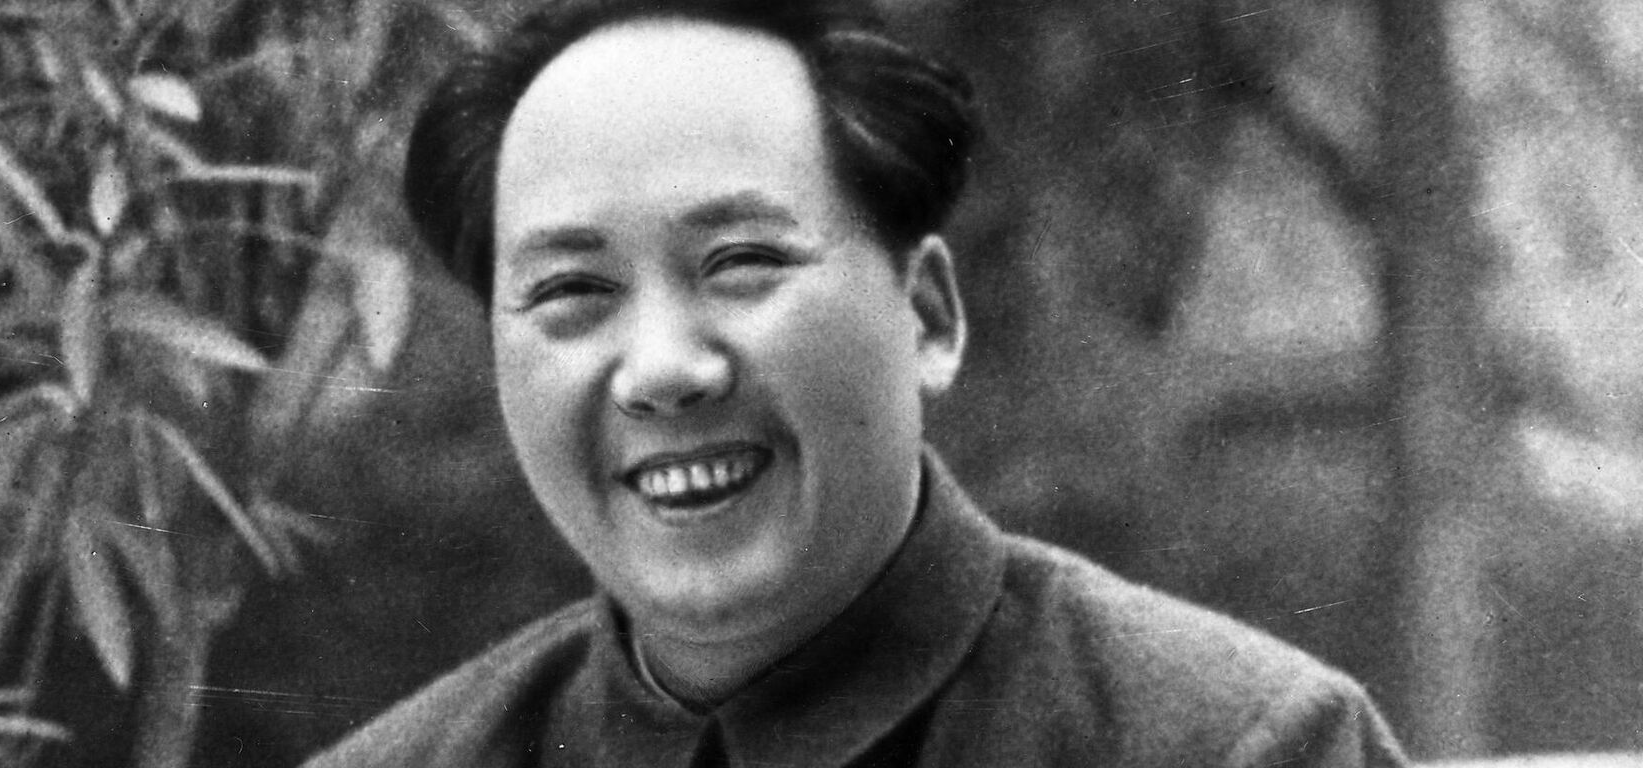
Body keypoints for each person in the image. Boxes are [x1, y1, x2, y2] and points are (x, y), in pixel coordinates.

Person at [305, 0, 1409, 765]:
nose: (664, 369)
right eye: (572, 291)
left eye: (741, 263)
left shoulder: (1240, 746)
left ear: (927, 313)